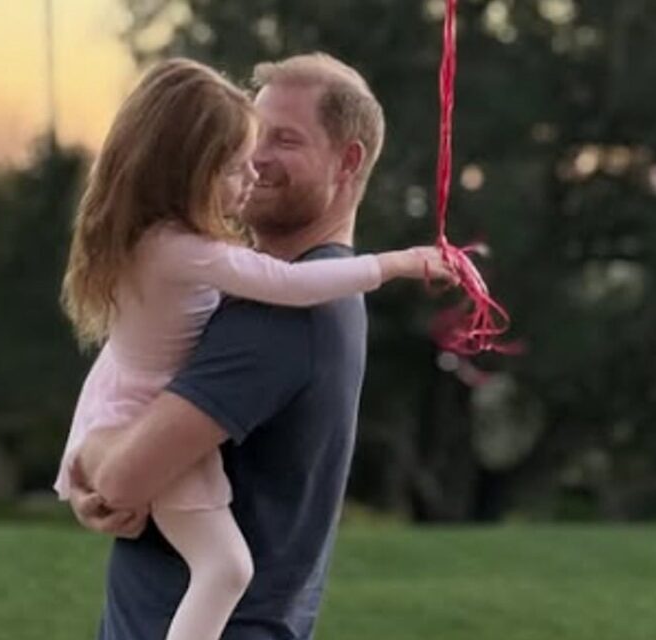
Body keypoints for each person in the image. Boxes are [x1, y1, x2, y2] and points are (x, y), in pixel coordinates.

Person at [58, 57, 449, 640]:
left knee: (225, 568)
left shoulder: (282, 315)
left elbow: (122, 481)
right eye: (252, 135)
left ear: (348, 161)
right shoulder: (225, 282)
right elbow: (123, 363)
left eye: (284, 140)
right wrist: (89, 468)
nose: (254, 157)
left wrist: (90, 459)